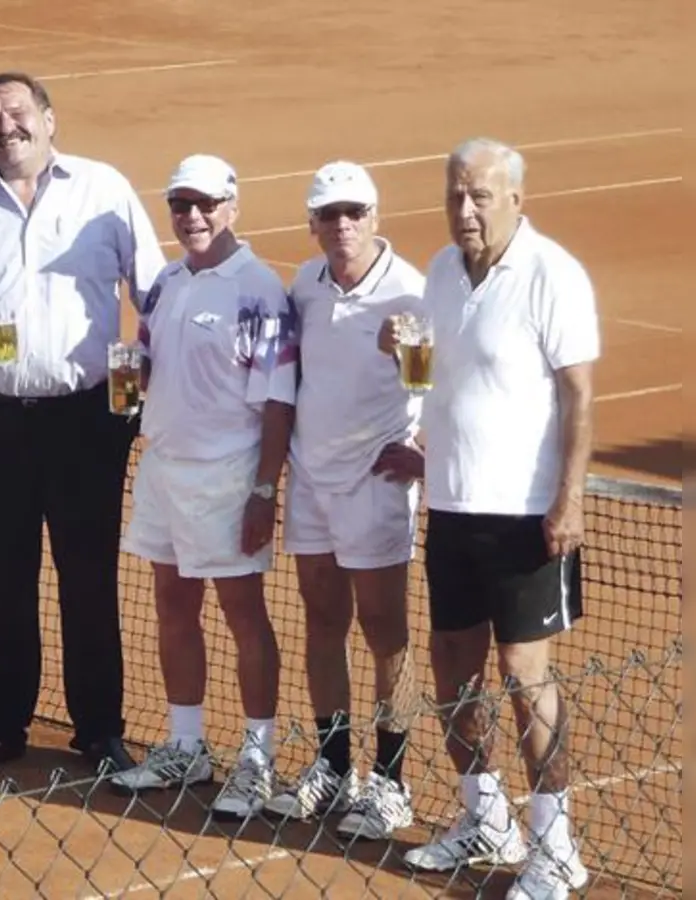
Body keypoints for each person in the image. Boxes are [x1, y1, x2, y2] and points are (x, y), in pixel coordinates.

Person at [0, 72, 166, 779]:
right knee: (0, 576)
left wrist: (138, 378)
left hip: (88, 420)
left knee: (89, 577)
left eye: (18, 113)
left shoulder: (103, 190)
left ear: (50, 120)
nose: (5, 126)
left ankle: (100, 732)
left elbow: (156, 290)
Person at [386, 138, 598, 900]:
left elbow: (577, 395)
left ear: (515, 198)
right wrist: (425, 441)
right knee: (452, 670)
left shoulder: (553, 274)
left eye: (479, 196)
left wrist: (567, 501)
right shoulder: (441, 273)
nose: (465, 210)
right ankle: (486, 818)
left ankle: (554, 847)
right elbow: (445, 377)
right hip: (450, 504)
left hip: (526, 516)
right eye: (454, 196)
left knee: (522, 675)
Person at [107, 155, 295, 821]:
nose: (191, 216)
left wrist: (264, 492)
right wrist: (128, 380)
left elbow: (277, 402)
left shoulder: (259, 289)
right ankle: (187, 744)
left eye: (204, 203)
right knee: (171, 604)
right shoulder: (164, 284)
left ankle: (257, 758)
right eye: (180, 205)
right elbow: (145, 359)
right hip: (164, 466)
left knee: (244, 613)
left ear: (231, 206)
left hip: (228, 473)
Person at [264, 161, 426, 843]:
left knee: (386, 630)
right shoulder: (306, 284)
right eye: (329, 215)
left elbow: (436, 379)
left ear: (375, 217)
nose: (343, 226)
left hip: (376, 482)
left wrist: (407, 360)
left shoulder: (411, 293)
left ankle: (391, 779)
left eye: (354, 212)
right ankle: (334, 768)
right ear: (313, 225)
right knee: (323, 621)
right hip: (312, 480)